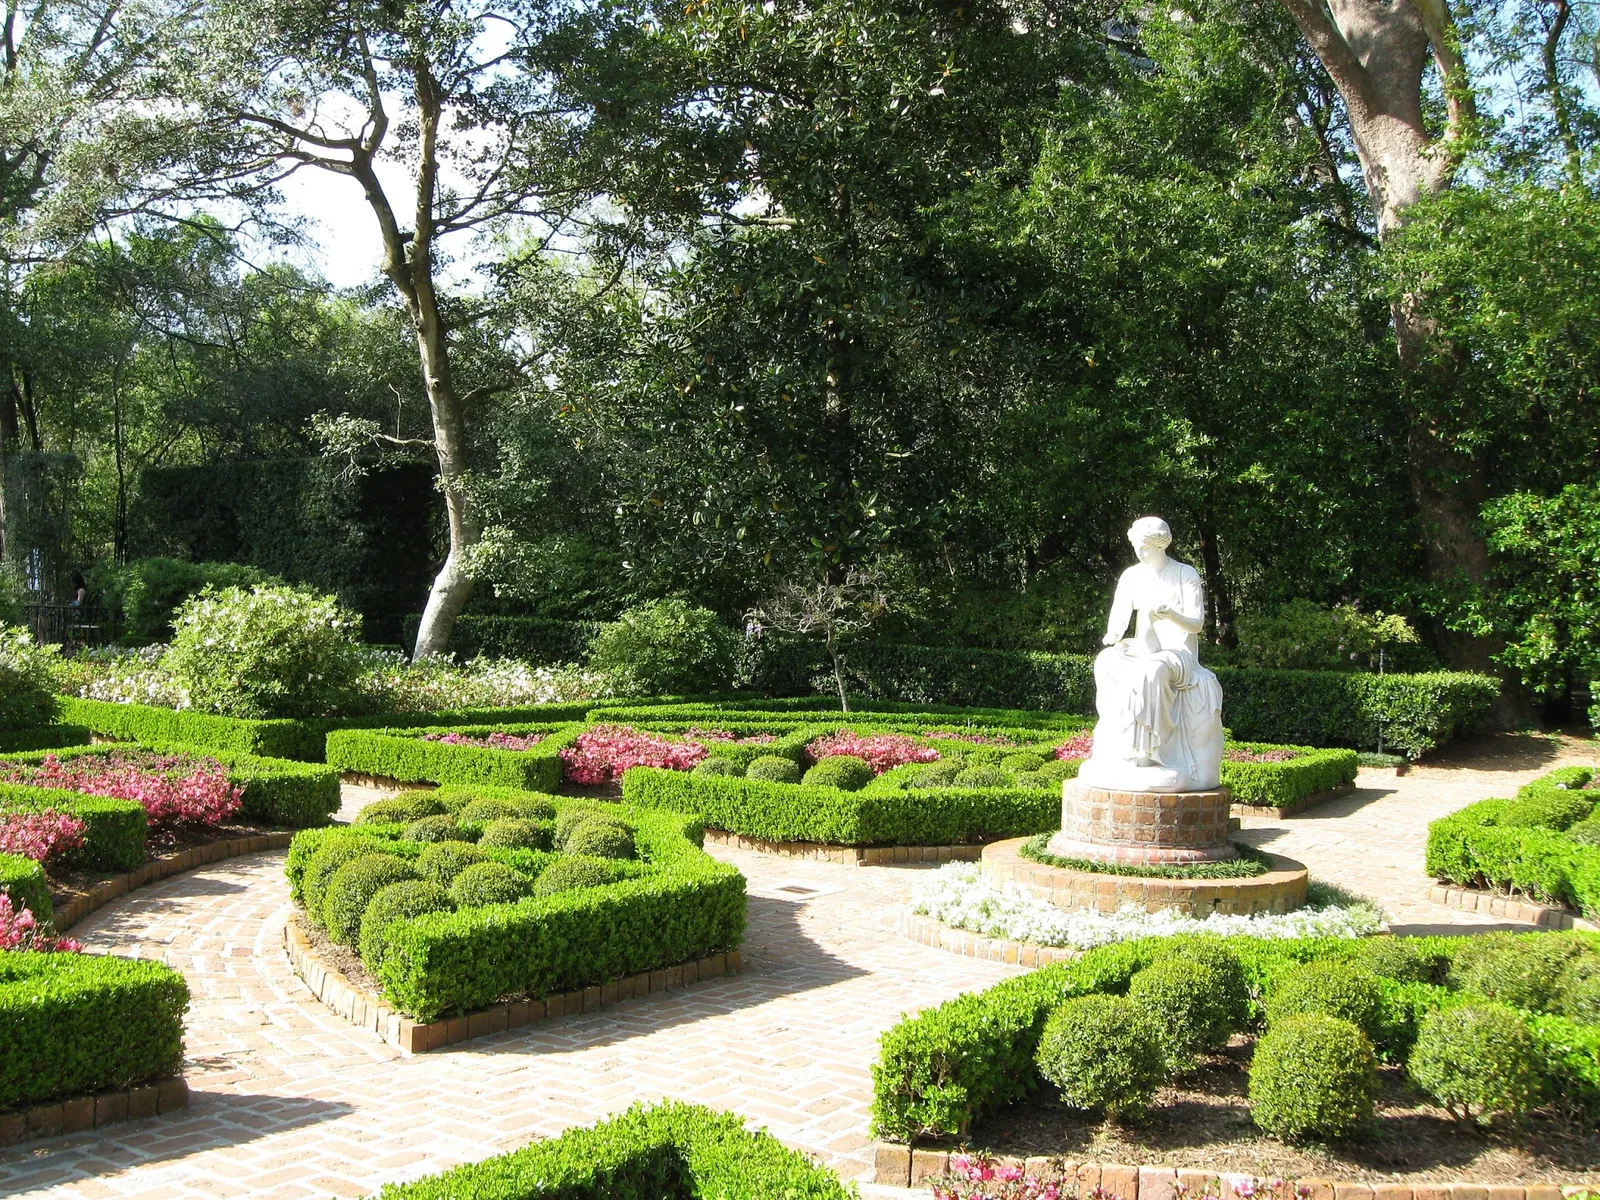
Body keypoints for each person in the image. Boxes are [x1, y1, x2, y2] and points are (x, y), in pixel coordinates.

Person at [1076, 516, 1224, 792]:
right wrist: (1113, 638)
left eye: (1146, 548)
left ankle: (1147, 752)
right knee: (1106, 661)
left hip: (1178, 654)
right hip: (1142, 647)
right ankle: (1116, 745)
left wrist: (1173, 615)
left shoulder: (1185, 574)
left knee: (1151, 670)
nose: (1140, 553)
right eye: (1137, 547)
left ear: (1161, 546)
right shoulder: (1132, 575)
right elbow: (1118, 619)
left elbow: (1198, 624)